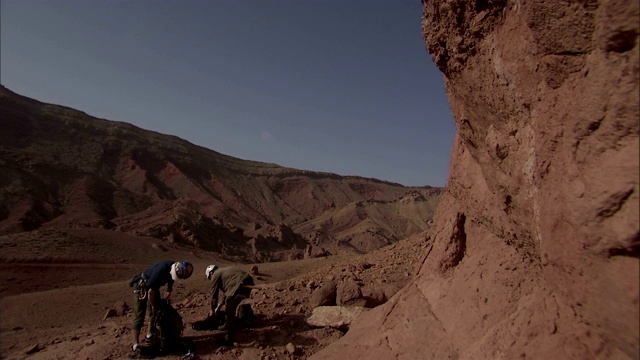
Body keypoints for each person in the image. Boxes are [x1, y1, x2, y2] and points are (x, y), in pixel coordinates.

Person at [130, 260, 194, 352]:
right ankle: (135, 344)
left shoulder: (174, 269)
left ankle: (150, 334)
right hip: (142, 286)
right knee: (140, 315)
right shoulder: (162, 269)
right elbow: (150, 292)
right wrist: (153, 305)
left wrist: (169, 289)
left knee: (155, 313)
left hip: (153, 287)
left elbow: (171, 279)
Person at [205, 264, 255, 343]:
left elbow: (214, 295)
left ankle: (229, 338)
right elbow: (226, 294)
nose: (211, 279)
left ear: (211, 273)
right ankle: (239, 322)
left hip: (239, 285)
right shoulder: (225, 271)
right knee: (234, 302)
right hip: (248, 281)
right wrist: (217, 308)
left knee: (229, 310)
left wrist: (212, 310)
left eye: (209, 278)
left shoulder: (215, 274)